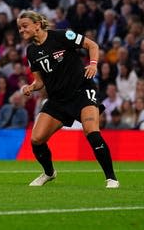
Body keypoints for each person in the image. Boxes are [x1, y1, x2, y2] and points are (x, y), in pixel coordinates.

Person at [18, 10, 119, 188]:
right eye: (19, 28)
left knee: (91, 131)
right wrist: (31, 87)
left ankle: (111, 178)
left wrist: (93, 64)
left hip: (82, 90)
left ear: (37, 25)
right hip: (58, 99)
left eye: (24, 26)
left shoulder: (62, 35)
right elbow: (40, 82)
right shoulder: (31, 51)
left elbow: (92, 45)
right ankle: (49, 173)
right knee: (36, 139)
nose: (21, 30)